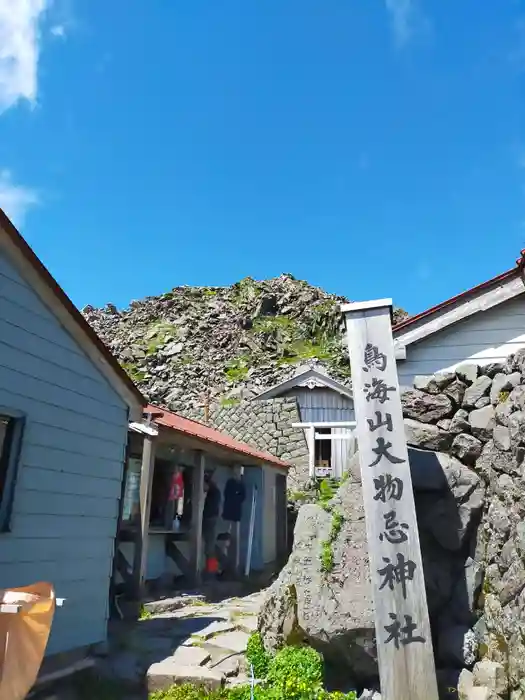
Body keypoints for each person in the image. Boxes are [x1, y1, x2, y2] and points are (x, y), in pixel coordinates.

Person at [202, 471, 221, 572]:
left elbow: (209, 509)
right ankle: (212, 569)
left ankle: (212, 570)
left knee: (209, 548)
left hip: (210, 520)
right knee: (210, 547)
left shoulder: (213, 493)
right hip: (211, 519)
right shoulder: (215, 492)